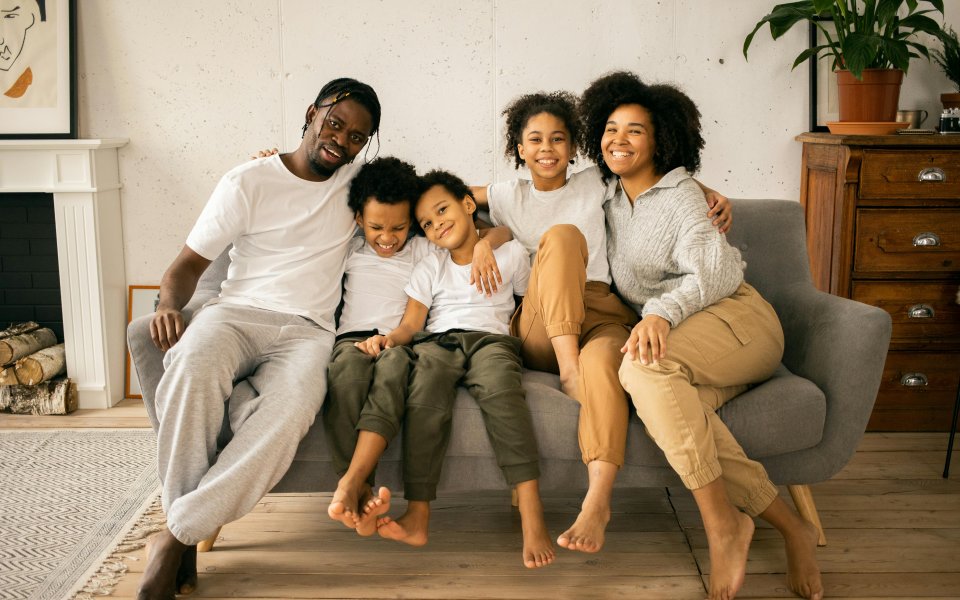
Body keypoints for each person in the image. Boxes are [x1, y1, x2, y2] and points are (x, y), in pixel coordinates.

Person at [579, 70, 823, 600]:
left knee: (642, 367)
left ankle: (721, 525)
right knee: (667, 403)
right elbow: (529, 188)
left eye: (635, 131)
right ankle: (792, 527)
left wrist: (660, 315)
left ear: (661, 140)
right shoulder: (606, 198)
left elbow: (714, 274)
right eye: (611, 128)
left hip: (738, 321)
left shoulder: (683, 196)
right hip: (690, 340)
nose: (618, 139)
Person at [138, 77, 382, 600]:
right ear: (312, 112)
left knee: (291, 410)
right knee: (190, 368)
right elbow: (185, 266)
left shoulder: (359, 186)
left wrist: (490, 232)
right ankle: (182, 535)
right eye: (335, 123)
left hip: (309, 332)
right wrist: (165, 305)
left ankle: (173, 537)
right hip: (235, 314)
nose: (341, 140)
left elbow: (439, 196)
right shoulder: (247, 180)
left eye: (358, 137)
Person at [468, 91, 732, 554]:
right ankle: (569, 369)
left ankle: (599, 500)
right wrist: (482, 240)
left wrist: (707, 191)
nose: (547, 149)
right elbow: (442, 198)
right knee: (564, 237)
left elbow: (655, 178)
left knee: (612, 358)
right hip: (541, 322)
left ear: (574, 148)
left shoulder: (597, 182)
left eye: (559, 139)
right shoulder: (507, 195)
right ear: (520, 149)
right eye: (535, 140)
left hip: (603, 312)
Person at [356, 170, 555, 569]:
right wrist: (387, 340)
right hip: (439, 343)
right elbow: (412, 324)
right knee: (424, 398)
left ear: (468, 205)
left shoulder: (510, 253)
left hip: (492, 342)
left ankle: (532, 515)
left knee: (504, 397)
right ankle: (418, 514)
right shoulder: (430, 266)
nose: (436, 224)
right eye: (426, 223)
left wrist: (490, 240)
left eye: (442, 210)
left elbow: (528, 308)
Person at [323, 156, 509, 536]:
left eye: (400, 227)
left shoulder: (424, 249)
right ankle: (359, 490)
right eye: (376, 227)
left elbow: (497, 230)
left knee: (393, 373)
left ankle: (351, 490)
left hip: (401, 341)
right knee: (345, 378)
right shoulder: (349, 249)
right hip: (352, 339)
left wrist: (485, 246)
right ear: (358, 219)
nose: (388, 237)